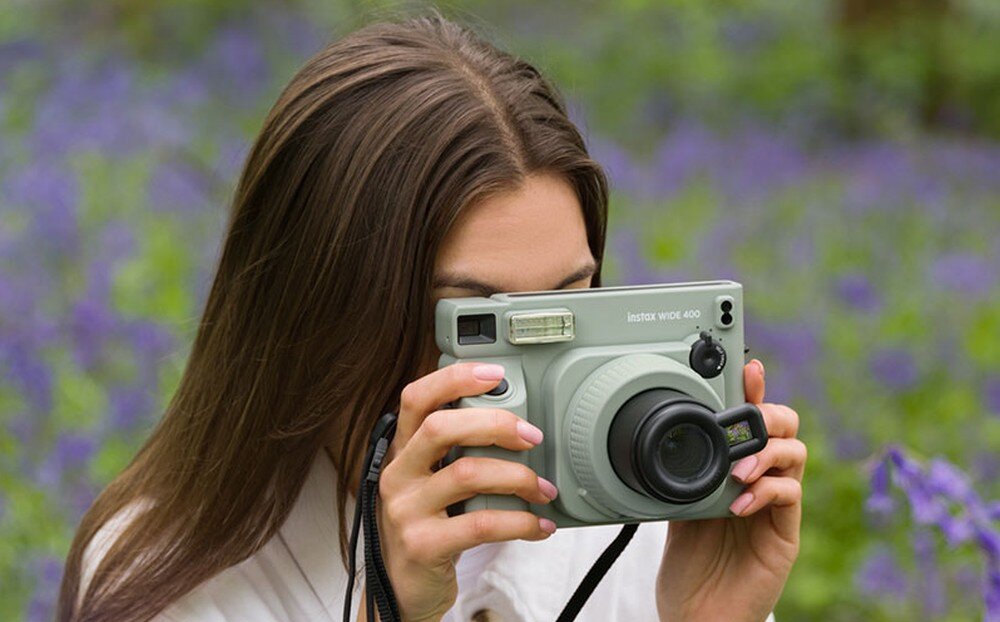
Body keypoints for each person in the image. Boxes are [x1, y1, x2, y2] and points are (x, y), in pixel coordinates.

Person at [58, 10, 806, 622]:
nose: (537, 373)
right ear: (318, 318)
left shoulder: (647, 523)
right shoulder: (172, 579)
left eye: (569, 304)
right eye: (477, 323)